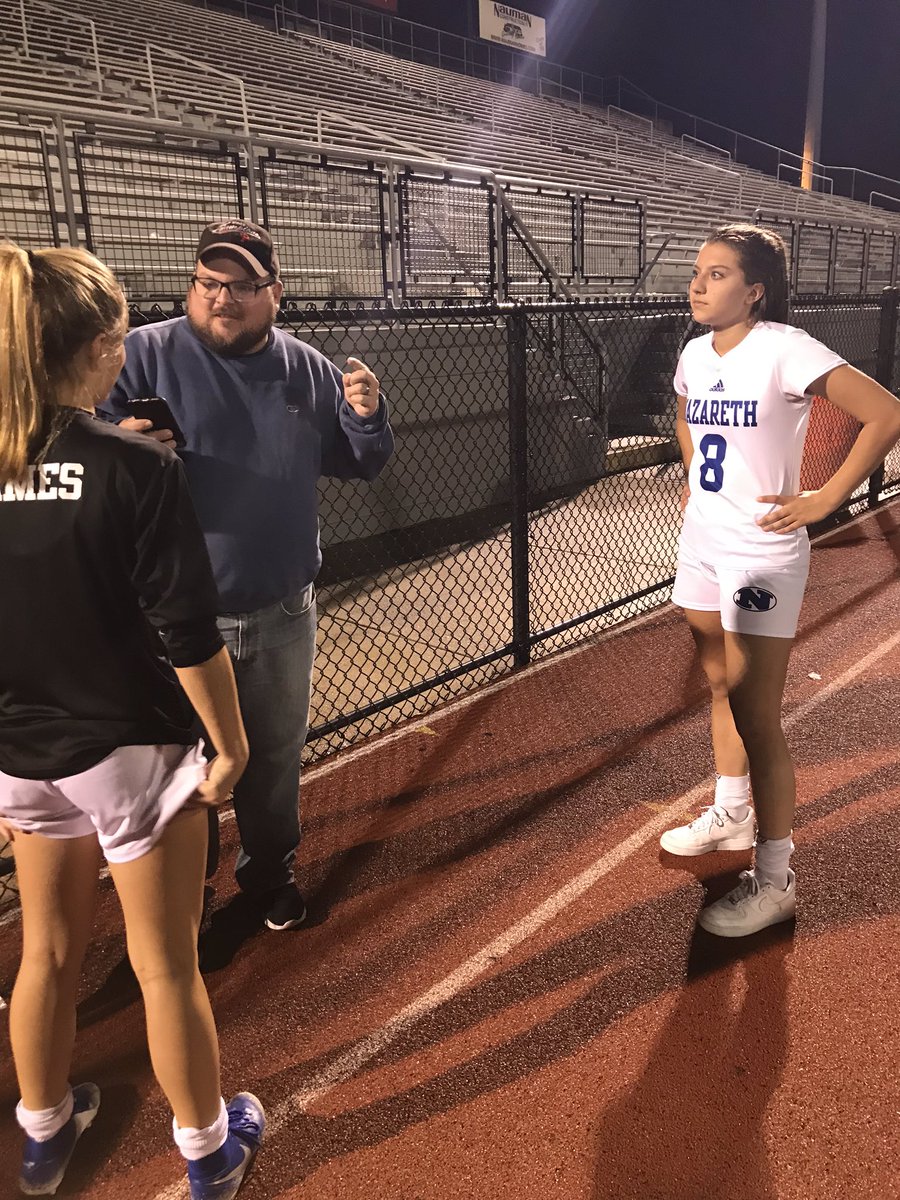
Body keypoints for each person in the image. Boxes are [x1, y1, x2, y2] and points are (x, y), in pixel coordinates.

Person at [0, 241, 264, 1199]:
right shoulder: (132, 466)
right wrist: (230, 745)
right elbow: (188, 631)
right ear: (102, 348)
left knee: (48, 952)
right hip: (131, 747)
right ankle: (208, 1154)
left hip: (22, 753)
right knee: (165, 968)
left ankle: (41, 1131)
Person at [102, 219, 394, 932]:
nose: (221, 297)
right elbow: (87, 458)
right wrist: (125, 446)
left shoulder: (308, 368)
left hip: (280, 609)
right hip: (172, 619)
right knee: (182, 769)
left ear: (275, 293)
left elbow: (359, 461)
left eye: (240, 285)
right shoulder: (142, 353)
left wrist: (367, 417)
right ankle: (186, 895)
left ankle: (269, 878)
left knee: (272, 761)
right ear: (191, 284)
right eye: (208, 282)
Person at [659, 223, 900, 937]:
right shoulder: (694, 353)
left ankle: (776, 878)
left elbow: (886, 413)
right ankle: (731, 814)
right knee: (717, 683)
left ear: (754, 290)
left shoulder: (784, 348)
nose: (699, 284)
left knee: (758, 714)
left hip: (761, 553)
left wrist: (826, 498)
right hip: (702, 542)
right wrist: (691, 472)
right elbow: (682, 415)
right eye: (698, 271)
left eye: (718, 274)